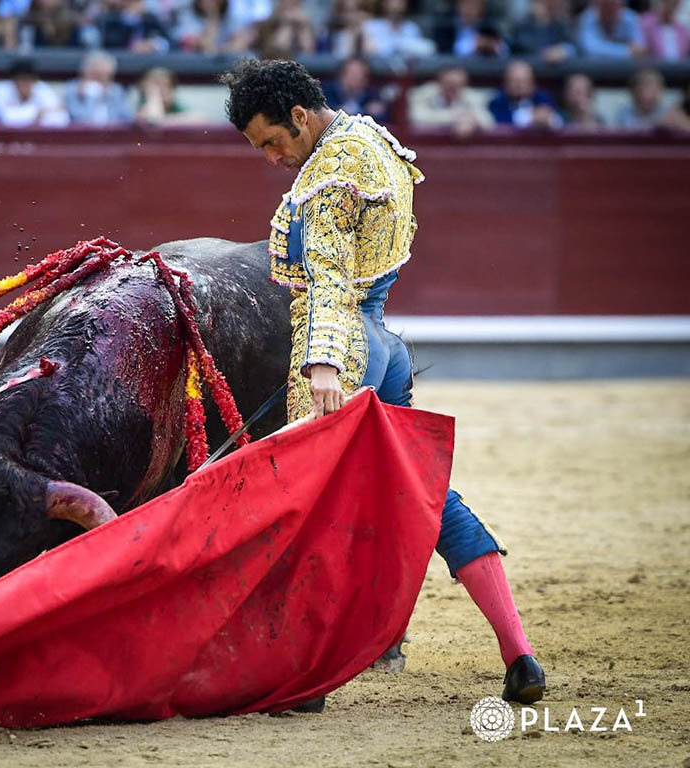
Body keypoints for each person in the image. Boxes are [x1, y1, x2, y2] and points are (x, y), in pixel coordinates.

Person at [220, 57, 545, 711]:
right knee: (424, 495)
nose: (272, 158)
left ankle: (301, 675)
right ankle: (519, 652)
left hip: (348, 347)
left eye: (273, 142)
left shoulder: (331, 176)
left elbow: (333, 282)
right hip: (389, 344)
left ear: (301, 118)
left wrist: (323, 364)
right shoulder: (370, 140)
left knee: (303, 502)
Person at [408, 64, 493, 135]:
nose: (452, 88)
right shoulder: (424, 94)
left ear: (464, 84)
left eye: (457, 85)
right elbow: (415, 117)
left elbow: (488, 123)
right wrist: (455, 118)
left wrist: (471, 120)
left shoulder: (472, 97)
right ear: (440, 82)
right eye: (449, 83)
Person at [0, 57, 68, 126]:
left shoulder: (41, 88)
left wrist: (26, 116)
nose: (25, 83)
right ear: (13, 81)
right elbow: (4, 119)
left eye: (29, 79)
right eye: (21, 79)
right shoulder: (2, 90)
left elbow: (62, 119)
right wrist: (37, 113)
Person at [63, 50, 133, 126]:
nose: (99, 81)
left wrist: (106, 97)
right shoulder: (73, 89)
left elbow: (127, 118)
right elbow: (80, 120)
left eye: (104, 75)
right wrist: (90, 96)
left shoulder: (115, 90)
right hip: (81, 135)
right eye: (96, 75)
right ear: (85, 72)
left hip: (113, 134)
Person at [488, 59, 561, 129]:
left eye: (524, 81)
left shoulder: (544, 98)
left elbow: (559, 122)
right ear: (505, 83)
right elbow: (502, 124)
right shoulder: (496, 102)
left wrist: (549, 119)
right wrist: (530, 117)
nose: (519, 85)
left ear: (533, 84)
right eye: (514, 81)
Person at [322, 56, 390, 124]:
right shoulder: (326, 92)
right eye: (352, 73)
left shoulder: (372, 95)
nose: (355, 78)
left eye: (359, 74)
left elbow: (383, 119)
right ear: (342, 75)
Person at [361, 0, 434, 59]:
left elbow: (422, 53)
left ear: (405, 5)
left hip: (406, 74)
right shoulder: (371, 26)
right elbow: (369, 53)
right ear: (384, 4)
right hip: (378, 74)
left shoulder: (412, 28)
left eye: (400, 3)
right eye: (392, 3)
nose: (396, 7)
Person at [576, 0, 645, 57]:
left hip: (627, 69)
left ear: (621, 6)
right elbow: (590, 49)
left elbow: (640, 49)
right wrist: (627, 51)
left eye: (613, 4)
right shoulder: (587, 18)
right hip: (593, 69)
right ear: (596, 6)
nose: (609, 9)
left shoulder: (631, 18)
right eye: (605, 5)